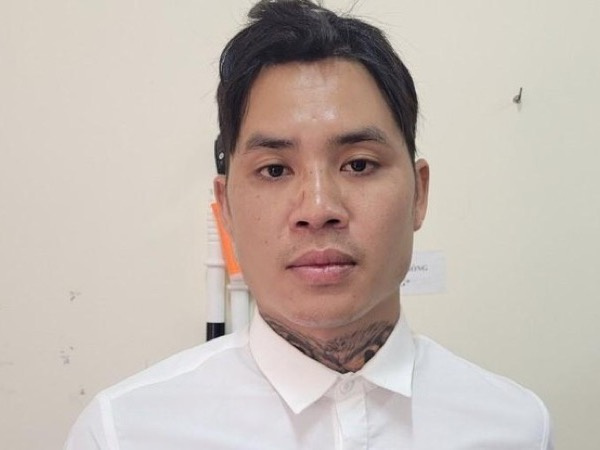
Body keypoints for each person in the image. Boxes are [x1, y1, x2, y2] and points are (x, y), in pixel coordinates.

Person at [65, 1, 553, 448]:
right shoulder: (124, 432)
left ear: (419, 194)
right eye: (275, 170)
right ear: (226, 207)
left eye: (358, 164)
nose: (318, 208)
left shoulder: (516, 428)